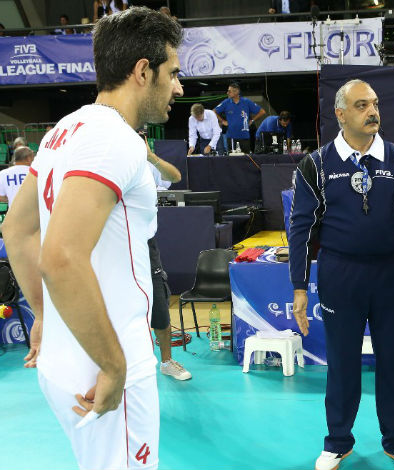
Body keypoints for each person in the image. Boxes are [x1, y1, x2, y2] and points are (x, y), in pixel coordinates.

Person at [2, 7, 183, 469]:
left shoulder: (63, 130)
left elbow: (16, 229)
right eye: (173, 73)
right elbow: (60, 255)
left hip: (64, 356)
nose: (179, 88)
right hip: (105, 360)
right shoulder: (115, 140)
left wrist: (44, 313)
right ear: (143, 72)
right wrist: (114, 365)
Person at [289, 79, 394, 470]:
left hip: (389, 273)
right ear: (340, 114)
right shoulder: (316, 164)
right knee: (342, 363)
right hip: (340, 275)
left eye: (374, 104)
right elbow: (301, 228)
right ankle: (337, 441)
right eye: (362, 105)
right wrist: (299, 286)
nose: (372, 111)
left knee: (392, 362)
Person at [144, 135, 192, 380]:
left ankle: (166, 361)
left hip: (147, 245)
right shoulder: (111, 167)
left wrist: (150, 156)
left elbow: (175, 176)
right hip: (118, 245)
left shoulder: (148, 165)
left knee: (159, 303)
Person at [214, 82, 266, 154]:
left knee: (246, 158)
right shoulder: (226, 102)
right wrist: (222, 121)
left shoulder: (246, 102)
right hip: (231, 137)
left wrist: (252, 120)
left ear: (236, 92)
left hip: (245, 137)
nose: (227, 93)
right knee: (232, 159)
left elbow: (262, 112)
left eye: (229, 91)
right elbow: (213, 112)